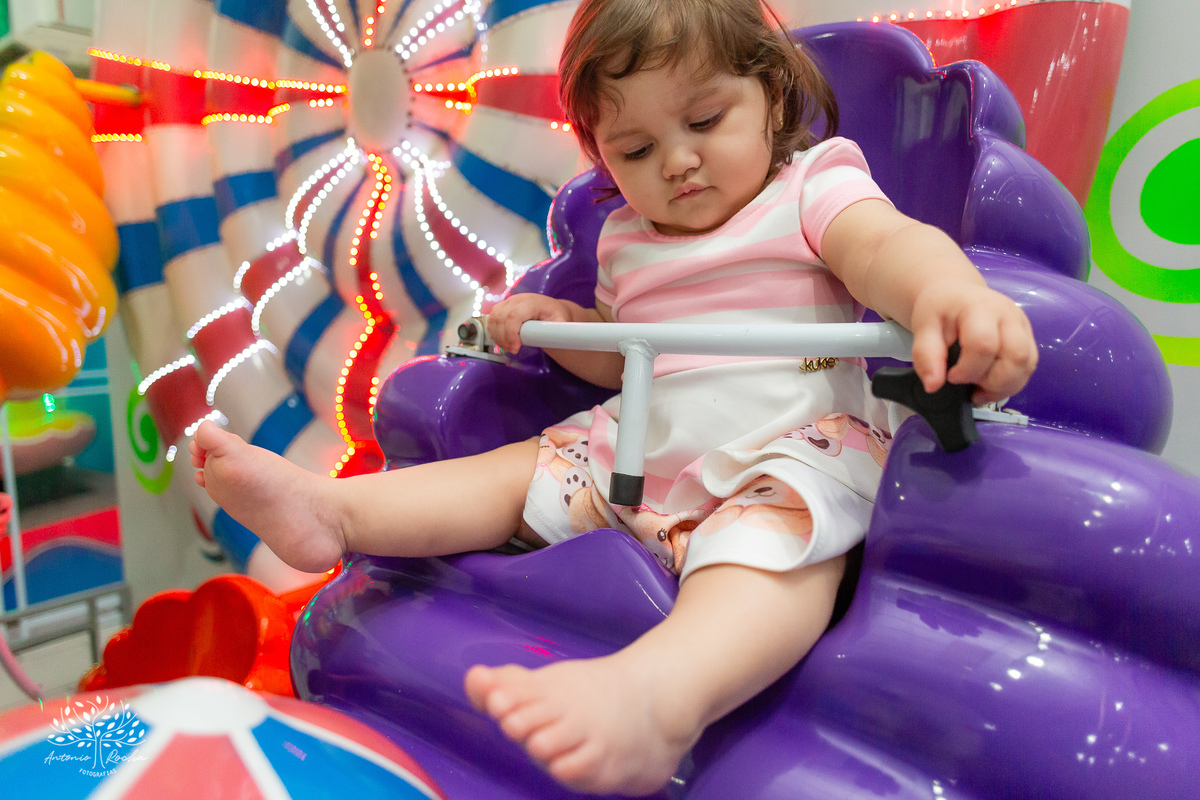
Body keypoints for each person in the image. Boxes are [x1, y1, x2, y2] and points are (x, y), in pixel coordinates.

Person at [190, 0, 1038, 793]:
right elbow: (618, 353)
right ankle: (333, 513)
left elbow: (887, 247)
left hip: (783, 446)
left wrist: (943, 295)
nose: (676, 160)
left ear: (772, 95)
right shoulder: (630, 236)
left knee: (772, 556)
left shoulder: (811, 187)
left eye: (705, 120)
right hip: (636, 444)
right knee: (513, 470)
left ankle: (662, 698)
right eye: (634, 150)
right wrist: (562, 321)